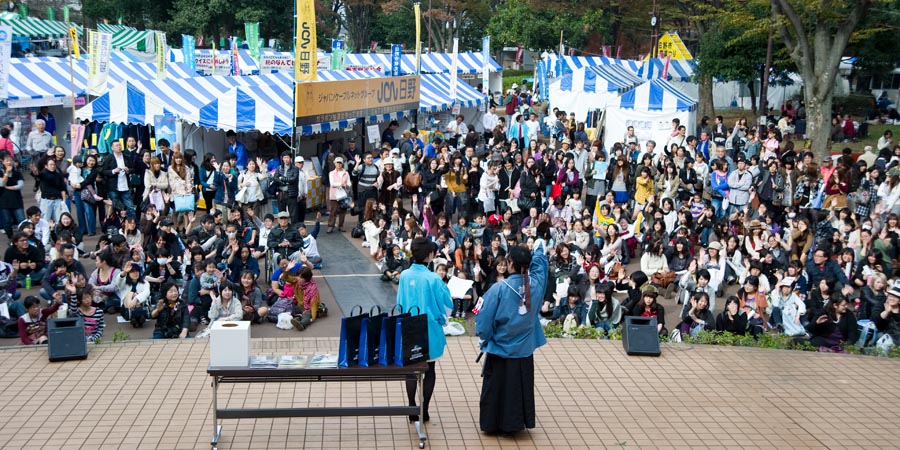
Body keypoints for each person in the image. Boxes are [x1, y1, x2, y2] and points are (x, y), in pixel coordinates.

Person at [476, 233, 548, 435]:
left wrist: (486, 337)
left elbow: (483, 323)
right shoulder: (536, 285)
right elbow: (541, 265)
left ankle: (492, 424)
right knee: (518, 388)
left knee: (496, 387)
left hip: (499, 347)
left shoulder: (498, 288)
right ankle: (515, 424)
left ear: (510, 263)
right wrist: (538, 249)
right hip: (524, 349)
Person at [396, 237, 454, 423]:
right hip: (429, 329)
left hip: (408, 326)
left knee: (411, 368)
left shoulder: (404, 275)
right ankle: (425, 409)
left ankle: (412, 405)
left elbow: (399, 303)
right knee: (429, 370)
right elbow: (447, 301)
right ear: (430, 255)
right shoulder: (433, 278)